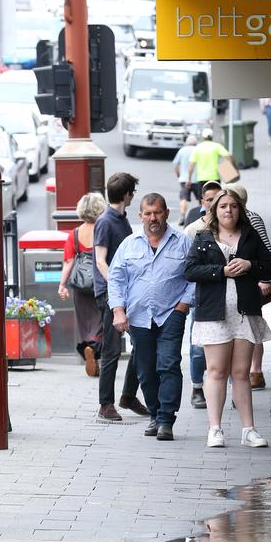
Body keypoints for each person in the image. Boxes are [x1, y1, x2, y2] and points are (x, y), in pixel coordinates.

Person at [185, 189, 271, 449]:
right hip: (214, 313)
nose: (228, 210)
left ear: (240, 209)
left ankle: (249, 430)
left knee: (241, 373)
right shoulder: (203, 237)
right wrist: (221, 271)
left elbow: (268, 265)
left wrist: (250, 266)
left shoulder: (250, 235)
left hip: (245, 311)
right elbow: (190, 270)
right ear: (214, 210)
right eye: (223, 206)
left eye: (233, 206)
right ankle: (215, 429)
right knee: (216, 371)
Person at [109, 193, 194, 442]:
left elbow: (195, 276)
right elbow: (116, 279)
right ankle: (155, 415)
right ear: (140, 216)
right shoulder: (129, 244)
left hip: (171, 313)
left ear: (166, 213)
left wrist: (183, 304)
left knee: (168, 364)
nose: (153, 218)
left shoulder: (182, 242)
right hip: (138, 317)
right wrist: (118, 310)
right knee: (146, 370)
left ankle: (166, 419)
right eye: (148, 213)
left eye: (157, 212)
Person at [93, 172, 148, 422]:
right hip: (110, 294)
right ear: (127, 195)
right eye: (132, 192)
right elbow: (101, 261)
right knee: (112, 350)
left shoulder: (121, 219)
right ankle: (106, 404)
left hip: (126, 291)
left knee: (141, 344)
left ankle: (127, 395)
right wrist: (116, 289)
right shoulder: (105, 221)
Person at [225, 183, 271, 390]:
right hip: (230, 285)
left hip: (252, 280)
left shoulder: (252, 218)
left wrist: (263, 279)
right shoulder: (222, 222)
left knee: (252, 326)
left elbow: (266, 250)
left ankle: (256, 370)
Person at [183, 181, 223, 409]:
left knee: (230, 343)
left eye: (218, 198)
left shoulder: (231, 227)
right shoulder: (193, 230)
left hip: (229, 295)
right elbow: (186, 268)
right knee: (198, 346)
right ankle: (197, 387)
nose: (214, 203)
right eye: (209, 199)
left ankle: (232, 387)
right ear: (202, 203)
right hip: (202, 296)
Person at [58, 192, 106, 376]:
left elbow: (68, 261)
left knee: (85, 322)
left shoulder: (75, 233)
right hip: (100, 282)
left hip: (79, 284)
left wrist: (62, 285)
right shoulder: (102, 229)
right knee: (101, 321)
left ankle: (88, 349)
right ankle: (94, 350)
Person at [187, 128, 236, 198]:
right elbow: (228, 157)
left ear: (203, 137)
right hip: (214, 178)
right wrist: (230, 170)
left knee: (203, 200)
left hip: (201, 179)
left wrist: (189, 179)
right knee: (216, 199)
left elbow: (191, 166)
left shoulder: (197, 148)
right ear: (212, 137)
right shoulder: (216, 146)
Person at [172, 134, 198, 226]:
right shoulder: (198, 150)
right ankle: (201, 216)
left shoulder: (182, 151)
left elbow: (175, 164)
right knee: (201, 199)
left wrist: (179, 175)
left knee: (183, 198)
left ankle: (182, 214)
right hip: (197, 179)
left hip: (184, 179)